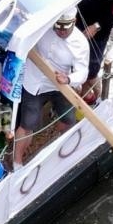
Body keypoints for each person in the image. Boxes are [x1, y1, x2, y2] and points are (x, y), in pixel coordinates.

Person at [13, 9, 89, 166]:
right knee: (27, 124)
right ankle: (17, 162)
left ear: (74, 22)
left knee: (68, 120)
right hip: (34, 82)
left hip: (60, 85)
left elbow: (83, 72)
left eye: (65, 28)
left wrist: (69, 79)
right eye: (57, 27)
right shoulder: (44, 26)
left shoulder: (80, 43)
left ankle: (63, 149)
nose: (60, 31)